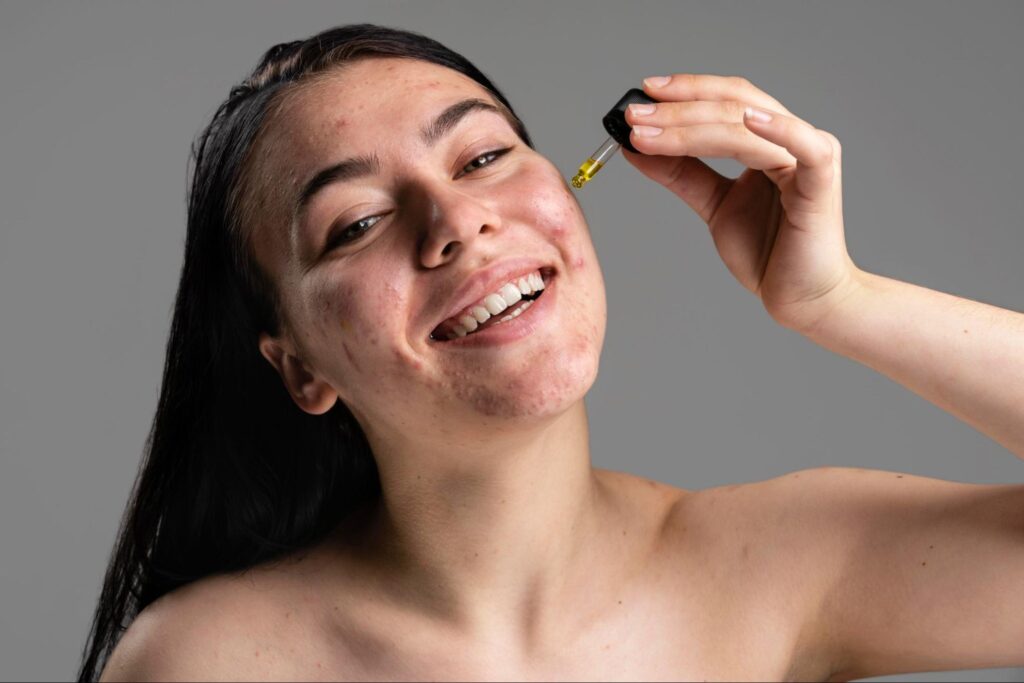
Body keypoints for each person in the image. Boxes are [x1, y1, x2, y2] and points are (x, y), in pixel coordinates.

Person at [81, 23, 1024, 682]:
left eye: (484, 157)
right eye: (358, 221)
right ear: (299, 367)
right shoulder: (203, 664)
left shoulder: (778, 566)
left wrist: (838, 300)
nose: (458, 220)